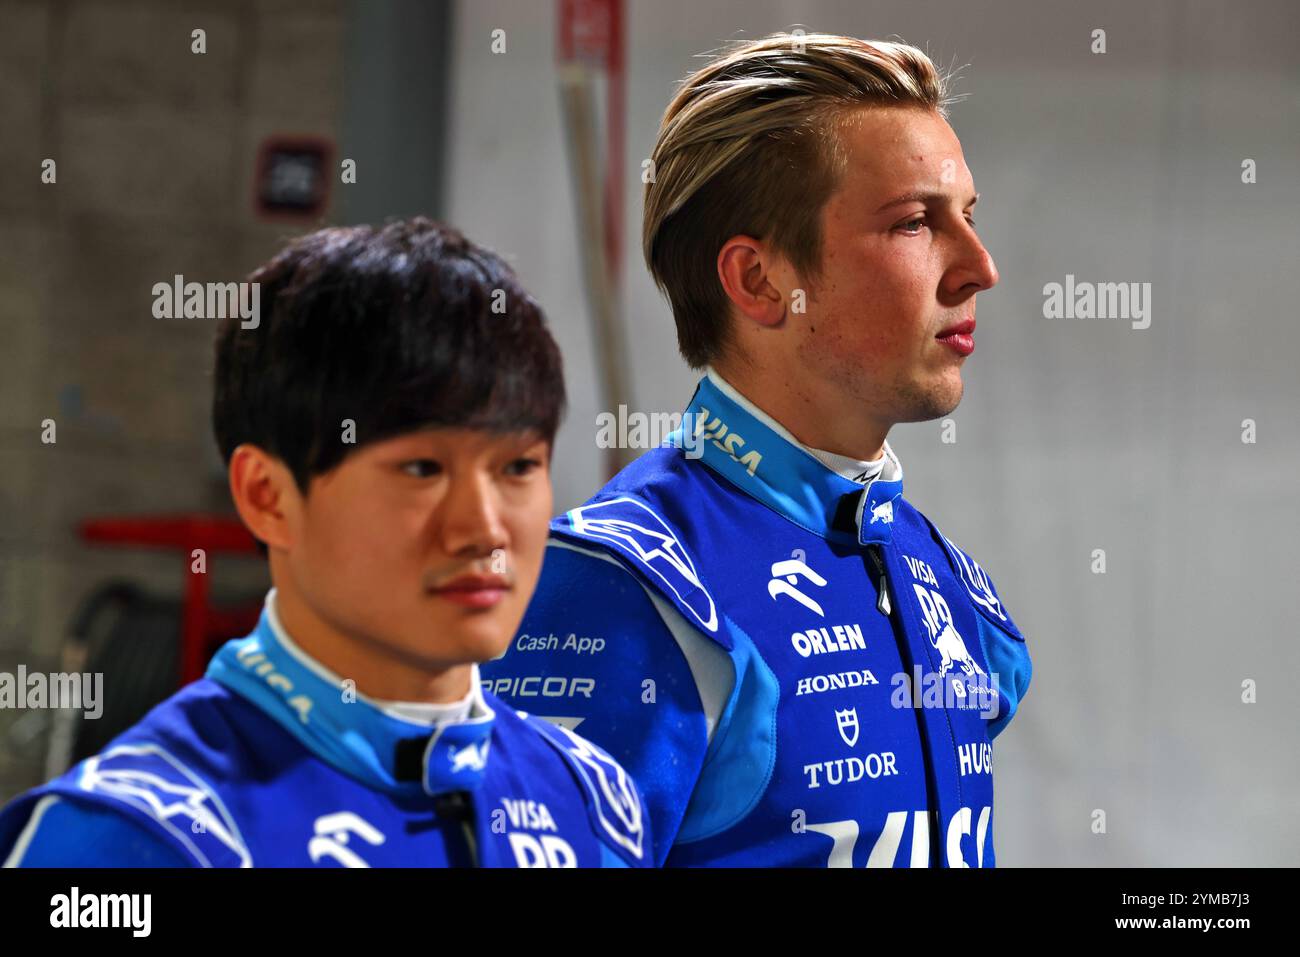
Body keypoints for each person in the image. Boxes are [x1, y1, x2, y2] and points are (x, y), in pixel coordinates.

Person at [482, 33, 1032, 867]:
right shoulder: (629, 592)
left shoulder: (949, 584)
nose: (979, 267)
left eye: (969, 216)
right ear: (759, 282)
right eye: (916, 222)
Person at [0, 219, 648, 868]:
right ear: (266, 495)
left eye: (518, 467)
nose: (482, 527)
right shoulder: (129, 838)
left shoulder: (592, 803)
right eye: (422, 468)